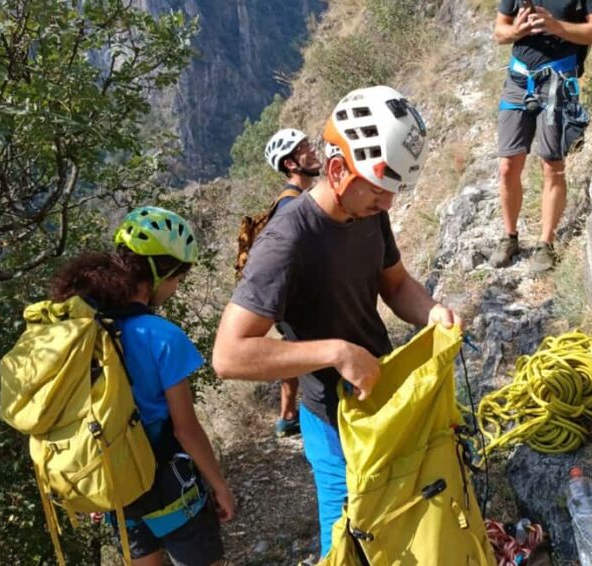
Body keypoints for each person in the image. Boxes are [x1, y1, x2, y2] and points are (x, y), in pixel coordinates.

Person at [212, 85, 461, 558]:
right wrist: (336, 352)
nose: (387, 204)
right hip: (330, 417)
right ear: (336, 169)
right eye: (378, 189)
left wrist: (433, 312)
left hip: (379, 397)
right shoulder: (286, 242)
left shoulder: (367, 210)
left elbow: (396, 286)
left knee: (400, 514)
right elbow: (229, 354)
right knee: (348, 536)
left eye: (393, 190)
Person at [49, 206, 235, 566]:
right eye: (177, 279)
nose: (176, 289)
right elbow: (185, 430)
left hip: (117, 490)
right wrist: (219, 485)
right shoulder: (162, 336)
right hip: (168, 485)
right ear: (158, 274)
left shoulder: (88, 334)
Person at [490, 0, 592, 272]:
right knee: (508, 165)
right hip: (518, 80)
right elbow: (499, 32)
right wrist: (516, 31)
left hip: (559, 80)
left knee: (552, 166)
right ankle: (509, 237)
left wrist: (557, 27)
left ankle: (546, 243)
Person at [263, 128, 324, 437]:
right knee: (309, 359)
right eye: (303, 148)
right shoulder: (292, 206)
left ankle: (287, 417)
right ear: (290, 164)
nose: (313, 150)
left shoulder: (292, 201)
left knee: (294, 352)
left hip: (290, 303)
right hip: (300, 303)